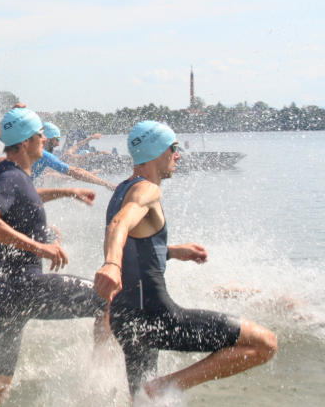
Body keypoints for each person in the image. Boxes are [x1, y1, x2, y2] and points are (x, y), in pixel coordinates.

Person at [93, 120, 277, 399]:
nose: (178, 155)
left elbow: (132, 244)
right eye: (174, 148)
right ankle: (167, 384)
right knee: (265, 343)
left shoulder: (122, 188)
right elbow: (119, 224)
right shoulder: (148, 190)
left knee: (141, 402)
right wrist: (112, 264)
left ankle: (153, 391)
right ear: (157, 152)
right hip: (155, 316)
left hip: (125, 317)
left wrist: (172, 251)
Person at [0, 108, 107, 405]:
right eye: (39, 135)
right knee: (110, 301)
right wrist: (40, 248)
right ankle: (99, 381)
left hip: (2, 292)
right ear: (24, 143)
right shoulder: (12, 176)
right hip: (24, 286)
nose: (45, 139)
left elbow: (28, 195)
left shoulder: (8, 172)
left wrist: (67, 191)